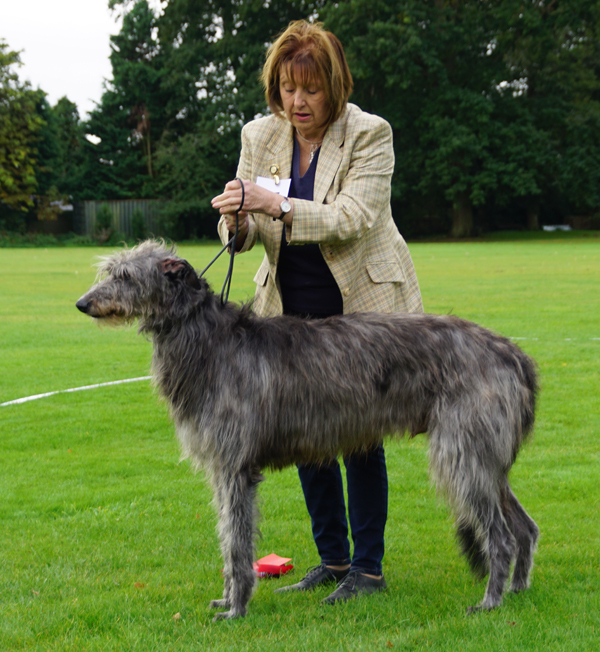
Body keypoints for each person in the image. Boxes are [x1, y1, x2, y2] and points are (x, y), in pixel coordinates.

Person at [211, 20, 423, 605]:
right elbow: (248, 229)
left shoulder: (369, 135)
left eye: (309, 88)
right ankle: (331, 559)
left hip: (361, 307)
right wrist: (234, 220)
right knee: (305, 433)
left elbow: (353, 218)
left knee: (359, 435)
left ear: (334, 85)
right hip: (289, 307)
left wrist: (272, 202)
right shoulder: (261, 135)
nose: (296, 102)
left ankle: (368, 569)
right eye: (286, 88)